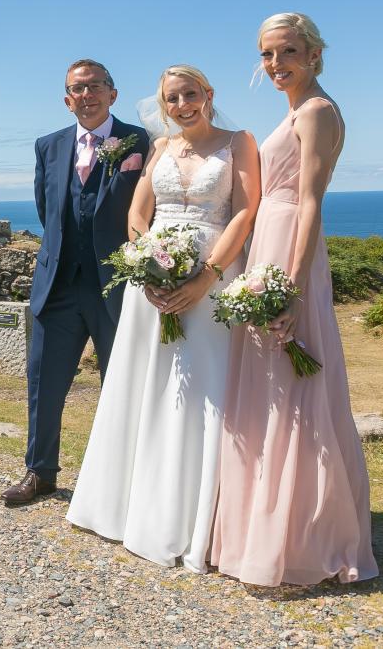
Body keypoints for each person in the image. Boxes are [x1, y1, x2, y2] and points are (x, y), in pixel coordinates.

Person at [65, 65, 259, 571]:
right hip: (152, 278)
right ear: (163, 104)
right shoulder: (160, 149)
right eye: (172, 99)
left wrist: (205, 276)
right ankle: (130, 507)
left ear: (208, 94)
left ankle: (196, 520)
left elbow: (245, 209)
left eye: (190, 95)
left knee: (203, 388)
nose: (181, 105)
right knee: (147, 383)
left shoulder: (239, 142)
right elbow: (137, 213)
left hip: (212, 275)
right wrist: (146, 263)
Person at [209, 13, 378, 585]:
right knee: (268, 385)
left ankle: (301, 534)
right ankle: (262, 523)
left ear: (314, 53)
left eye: (287, 52)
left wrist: (292, 286)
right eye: (266, 55)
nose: (276, 64)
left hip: (290, 255)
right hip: (269, 245)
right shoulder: (298, 109)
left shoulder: (319, 112)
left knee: (294, 383)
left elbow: (310, 202)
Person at [2, 59, 149, 505]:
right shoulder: (48, 145)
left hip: (116, 285)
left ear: (112, 93)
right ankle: (40, 472)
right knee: (43, 384)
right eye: (76, 89)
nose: (86, 95)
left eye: (94, 87)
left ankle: (121, 481)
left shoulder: (140, 141)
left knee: (122, 386)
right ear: (67, 99)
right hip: (59, 286)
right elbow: (48, 209)